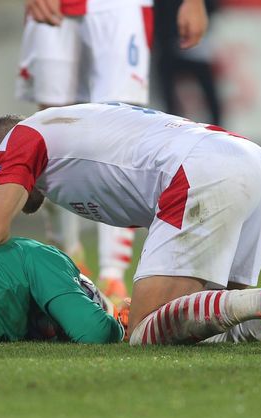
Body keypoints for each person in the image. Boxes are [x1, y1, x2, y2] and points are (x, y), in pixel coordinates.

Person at [0, 101, 261, 350]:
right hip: (254, 163)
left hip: (204, 169)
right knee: (218, 325)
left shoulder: (20, 138)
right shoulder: (66, 126)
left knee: (146, 331)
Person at [15, 0, 209, 303]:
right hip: (57, 10)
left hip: (120, 8)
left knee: (123, 130)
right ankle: (66, 261)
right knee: (51, 128)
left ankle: (113, 276)